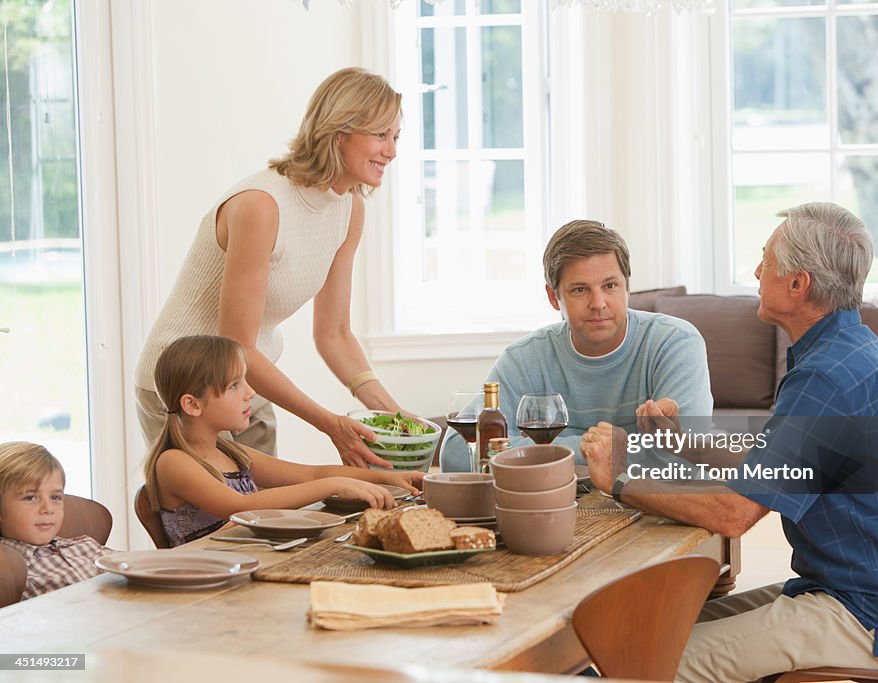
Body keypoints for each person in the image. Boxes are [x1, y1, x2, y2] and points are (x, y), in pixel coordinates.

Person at [580, 202, 878, 682]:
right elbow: (780, 462)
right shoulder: (857, 352)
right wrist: (682, 445)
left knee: (634, 662)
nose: (758, 271)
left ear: (798, 284)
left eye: (767, 260)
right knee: (642, 632)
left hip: (875, 616)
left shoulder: (828, 376)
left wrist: (620, 478)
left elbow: (734, 514)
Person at [135, 67, 404, 467]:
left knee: (267, 519)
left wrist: (396, 418)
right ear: (339, 131)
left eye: (396, 137)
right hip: (184, 385)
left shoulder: (350, 209)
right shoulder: (262, 206)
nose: (392, 151)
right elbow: (237, 343)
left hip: (245, 382)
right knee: (223, 522)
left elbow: (334, 333)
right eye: (381, 135)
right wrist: (330, 424)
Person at [440, 219, 712, 469]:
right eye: (580, 290)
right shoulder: (524, 359)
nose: (598, 303)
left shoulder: (674, 343)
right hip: (547, 506)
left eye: (610, 285)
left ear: (627, 288)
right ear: (553, 297)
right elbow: (457, 452)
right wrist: (601, 446)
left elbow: (684, 453)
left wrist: (534, 452)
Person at [143, 335, 424, 547]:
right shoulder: (174, 462)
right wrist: (334, 486)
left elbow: (311, 473)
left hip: (244, 568)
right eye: (234, 385)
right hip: (198, 589)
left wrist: (386, 478)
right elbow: (240, 508)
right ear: (193, 405)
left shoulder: (231, 452)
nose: (250, 392)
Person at [0, 441, 114, 600]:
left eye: (55, 497)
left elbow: (139, 569)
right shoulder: (9, 573)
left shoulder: (84, 547)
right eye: (30, 497)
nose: (48, 508)